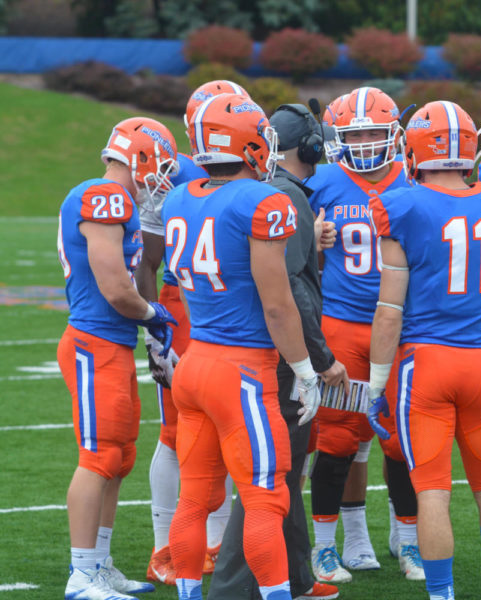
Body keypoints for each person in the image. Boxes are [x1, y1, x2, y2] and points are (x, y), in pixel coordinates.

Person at [368, 100, 481, 600]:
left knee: (433, 493)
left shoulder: (402, 205)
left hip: (425, 366)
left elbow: (389, 311)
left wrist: (376, 386)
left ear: (414, 150)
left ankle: (442, 594)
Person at [162, 93, 321, 600]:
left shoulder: (180, 197)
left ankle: (188, 594)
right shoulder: (262, 200)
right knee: (265, 498)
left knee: (193, 499)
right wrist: (305, 369)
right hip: (243, 371)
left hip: (195, 364)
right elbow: (277, 304)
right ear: (250, 143)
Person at [206, 102, 343, 600]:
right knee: (271, 474)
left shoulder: (267, 192)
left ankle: (298, 574)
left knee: (287, 464)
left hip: (220, 344)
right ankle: (235, 585)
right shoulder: (282, 196)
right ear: (308, 146)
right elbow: (290, 291)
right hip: (269, 352)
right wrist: (318, 359)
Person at [304, 86, 423, 583]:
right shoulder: (323, 180)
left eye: (375, 131)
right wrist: (312, 238)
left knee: (403, 439)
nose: (368, 141)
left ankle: (409, 539)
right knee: (336, 436)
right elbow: (285, 249)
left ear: (395, 132)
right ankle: (326, 546)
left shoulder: (416, 174)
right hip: (344, 323)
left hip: (403, 323)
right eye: (356, 134)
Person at [57, 116, 179, 600]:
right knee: (99, 456)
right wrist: (154, 314)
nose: (162, 179)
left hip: (111, 343)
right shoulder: (102, 195)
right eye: (160, 165)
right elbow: (113, 286)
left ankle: (100, 564)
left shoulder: (120, 200)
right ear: (140, 157)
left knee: (120, 457)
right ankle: (81, 573)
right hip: (93, 341)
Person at [138, 80, 246, 586]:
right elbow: (151, 259)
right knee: (181, 431)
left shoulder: (200, 173)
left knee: (226, 430)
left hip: (223, 310)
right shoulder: (174, 172)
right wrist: (151, 320)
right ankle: (168, 546)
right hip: (187, 309)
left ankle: (217, 543)